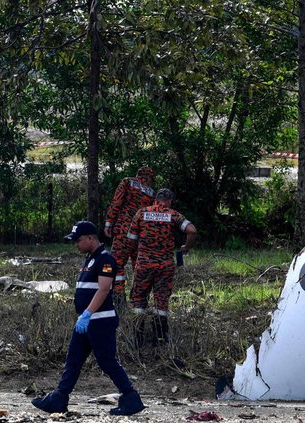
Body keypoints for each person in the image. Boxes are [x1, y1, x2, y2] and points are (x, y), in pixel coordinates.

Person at [31, 221, 145, 416]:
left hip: (100, 320)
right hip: (85, 321)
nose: (76, 244)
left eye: (78, 240)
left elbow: (103, 289)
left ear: (91, 238)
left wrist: (88, 313)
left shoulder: (105, 259)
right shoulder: (90, 258)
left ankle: (130, 397)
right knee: (73, 360)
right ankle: (59, 398)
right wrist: (83, 316)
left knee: (107, 361)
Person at [127, 188, 197, 345]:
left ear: (155, 199)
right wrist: (186, 247)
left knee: (138, 298)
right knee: (161, 300)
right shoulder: (173, 214)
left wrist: (140, 252)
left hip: (144, 264)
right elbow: (192, 230)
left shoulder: (141, 212)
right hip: (165, 266)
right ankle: (160, 338)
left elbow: (131, 239)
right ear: (170, 201)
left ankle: (137, 339)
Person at [104, 166, 155, 303]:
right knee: (138, 266)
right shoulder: (151, 193)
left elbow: (117, 202)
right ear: (149, 177)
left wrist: (109, 222)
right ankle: (139, 299)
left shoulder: (127, 182)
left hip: (123, 230)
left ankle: (119, 298)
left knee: (117, 264)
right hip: (140, 234)